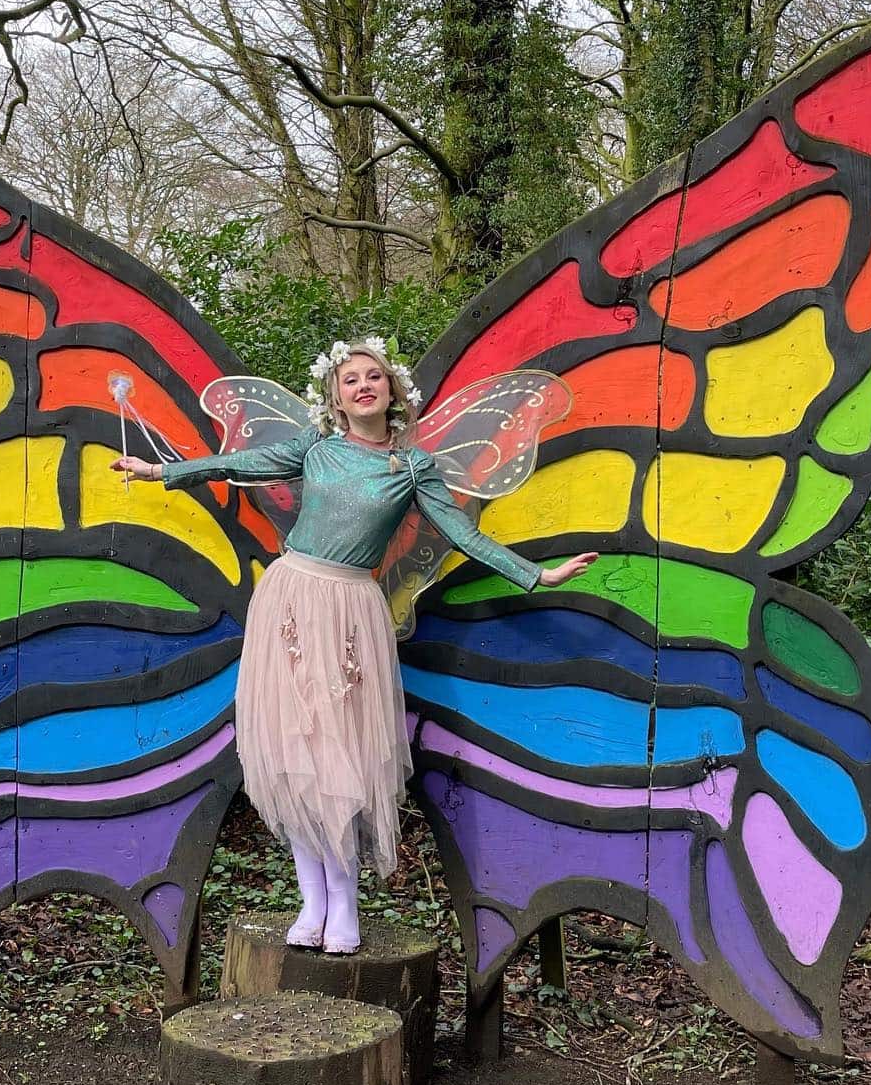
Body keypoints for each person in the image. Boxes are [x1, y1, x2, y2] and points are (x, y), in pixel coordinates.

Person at [114, 340, 597, 954]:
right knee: (292, 745)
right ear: (336, 398)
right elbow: (236, 461)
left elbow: (464, 536)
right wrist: (158, 472)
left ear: (393, 392)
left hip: (349, 612)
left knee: (338, 752)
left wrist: (537, 574)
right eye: (351, 380)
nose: (363, 385)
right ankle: (310, 899)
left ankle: (344, 902)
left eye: (375, 377)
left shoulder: (414, 467)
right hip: (290, 602)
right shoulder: (315, 452)